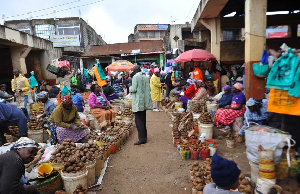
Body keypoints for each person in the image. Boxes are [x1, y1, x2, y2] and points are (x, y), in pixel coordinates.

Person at [129, 65, 152, 145]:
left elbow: (134, 89)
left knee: (138, 121)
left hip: (138, 102)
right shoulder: (145, 77)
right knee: (143, 120)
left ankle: (141, 139)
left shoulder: (135, 77)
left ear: (135, 71)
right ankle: (144, 137)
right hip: (144, 102)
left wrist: (130, 87)